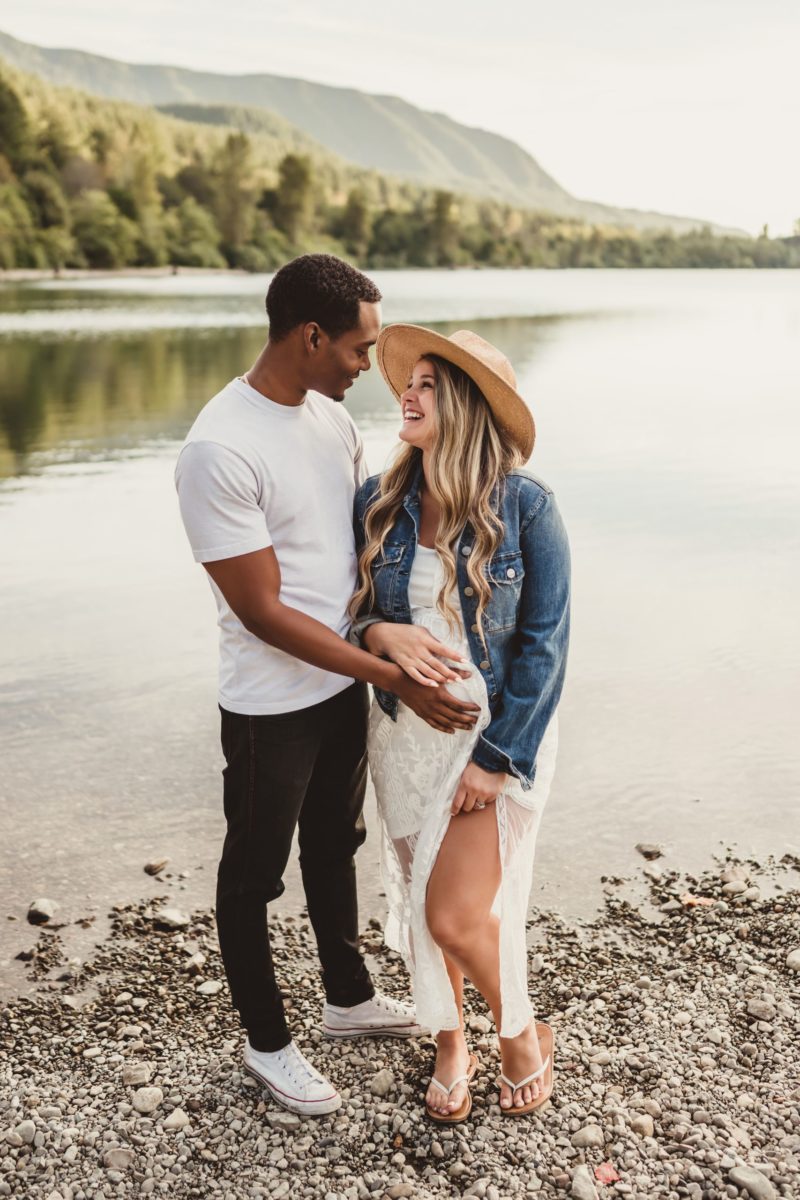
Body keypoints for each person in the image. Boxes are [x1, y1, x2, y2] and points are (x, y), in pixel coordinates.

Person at [174, 256, 481, 1117]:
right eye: (358, 348)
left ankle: (346, 998)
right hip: (271, 701)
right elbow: (265, 611)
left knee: (336, 842)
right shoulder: (217, 448)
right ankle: (268, 1046)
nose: (365, 366)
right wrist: (389, 673)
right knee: (253, 875)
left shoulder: (327, 419)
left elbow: (358, 544)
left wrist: (384, 630)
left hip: (342, 678)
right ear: (311, 336)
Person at [350, 324, 570, 1122]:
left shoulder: (528, 506)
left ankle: (518, 1035)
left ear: (470, 406)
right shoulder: (378, 500)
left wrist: (497, 758)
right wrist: (378, 634)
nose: (408, 393)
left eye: (431, 385)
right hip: (403, 737)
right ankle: (451, 1042)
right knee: (420, 900)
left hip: (492, 739)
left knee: (452, 911)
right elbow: (355, 619)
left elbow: (546, 647)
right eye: (411, 382)